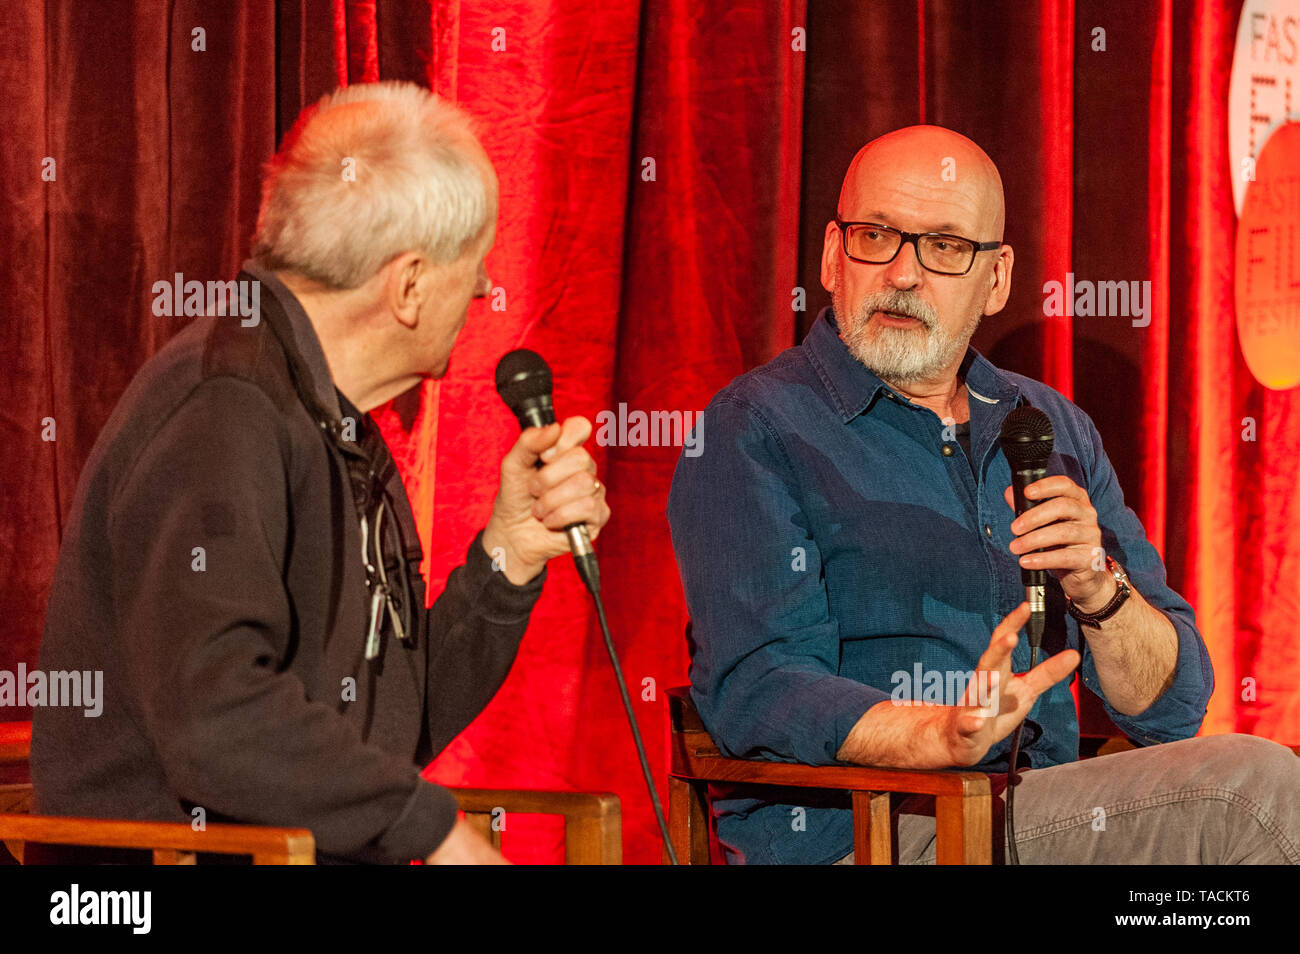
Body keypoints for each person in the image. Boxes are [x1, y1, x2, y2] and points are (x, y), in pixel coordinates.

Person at [666, 125, 1300, 865]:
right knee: (1253, 795)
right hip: (870, 835)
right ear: (834, 257)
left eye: (944, 247)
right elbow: (761, 687)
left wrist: (1098, 590)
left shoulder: (1052, 427)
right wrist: (938, 735)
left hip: (1041, 817)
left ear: (996, 278)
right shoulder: (757, 426)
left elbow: (1171, 708)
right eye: (877, 236)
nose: (903, 274)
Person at [30, 81, 610, 865]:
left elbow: (388, 731)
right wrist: (435, 831)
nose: (480, 292)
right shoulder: (223, 409)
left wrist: (506, 560)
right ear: (408, 285)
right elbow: (217, 717)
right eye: (474, 267)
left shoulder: (337, 423)